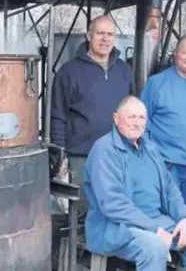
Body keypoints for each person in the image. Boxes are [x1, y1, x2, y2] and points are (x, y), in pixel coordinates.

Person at [83, 96, 186, 271]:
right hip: (117, 228)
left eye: (141, 118)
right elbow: (112, 204)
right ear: (116, 118)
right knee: (154, 246)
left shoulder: (150, 149)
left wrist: (185, 217)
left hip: (157, 222)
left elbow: (170, 190)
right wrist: (155, 229)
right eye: (131, 117)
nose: (137, 123)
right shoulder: (104, 150)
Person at [50, 15, 135, 217]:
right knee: (80, 213)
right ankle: (80, 250)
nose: (105, 39)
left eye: (110, 34)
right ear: (89, 36)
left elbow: (133, 112)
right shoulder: (68, 72)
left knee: (115, 211)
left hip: (117, 154)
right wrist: (60, 157)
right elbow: (57, 116)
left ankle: (105, 249)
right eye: (100, 33)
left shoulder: (124, 70)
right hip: (81, 157)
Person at [140, 36, 186, 217]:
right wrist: (151, 159)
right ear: (175, 54)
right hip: (166, 166)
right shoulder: (156, 83)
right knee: (164, 216)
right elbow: (141, 123)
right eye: (185, 53)